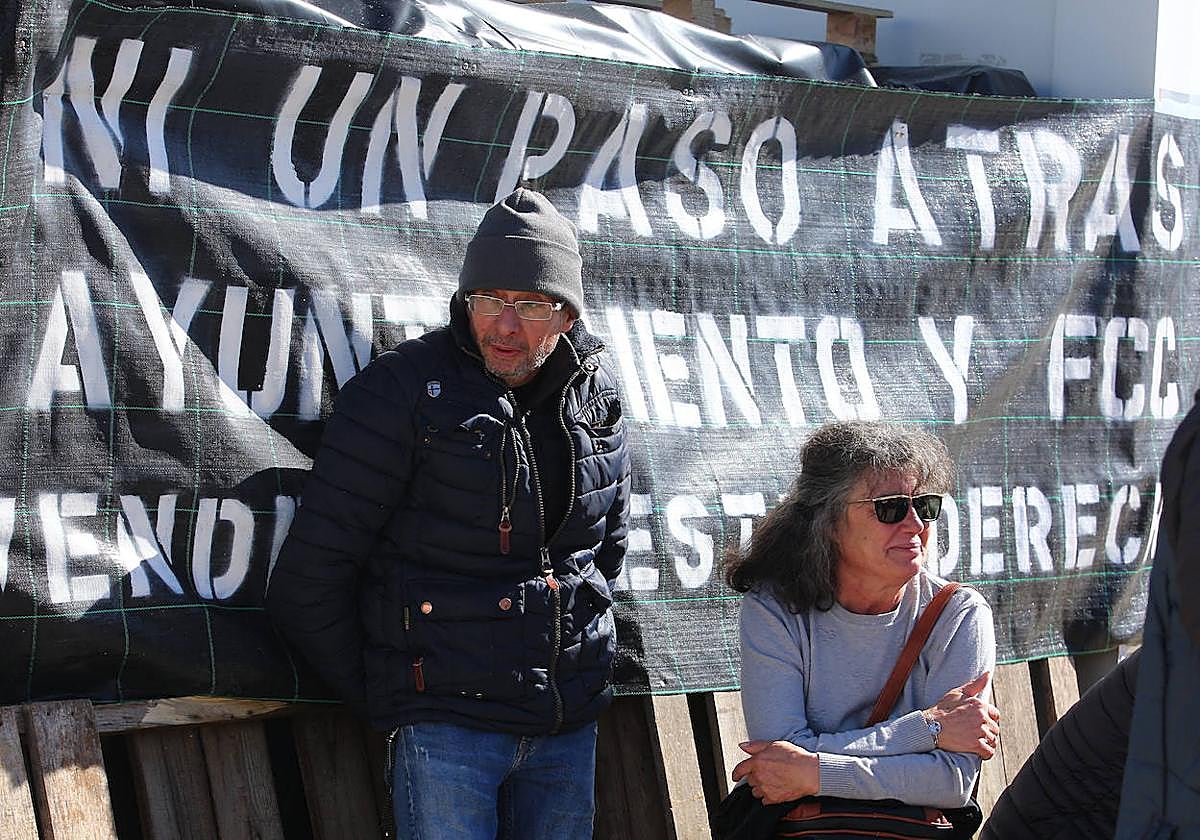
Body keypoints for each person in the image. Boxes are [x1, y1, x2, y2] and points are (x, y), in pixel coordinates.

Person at [266, 188, 631, 840]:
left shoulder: (595, 392)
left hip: (565, 728)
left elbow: (604, 551)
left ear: (568, 315)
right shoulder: (402, 392)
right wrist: (402, 698)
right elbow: (310, 577)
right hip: (447, 731)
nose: (505, 325)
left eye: (531, 304)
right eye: (488, 299)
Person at [727, 421, 999, 810]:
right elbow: (776, 763)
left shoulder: (959, 614)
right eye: (890, 508)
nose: (916, 524)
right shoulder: (774, 609)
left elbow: (951, 782)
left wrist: (816, 774)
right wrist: (928, 729)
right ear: (828, 523)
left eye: (925, 505)